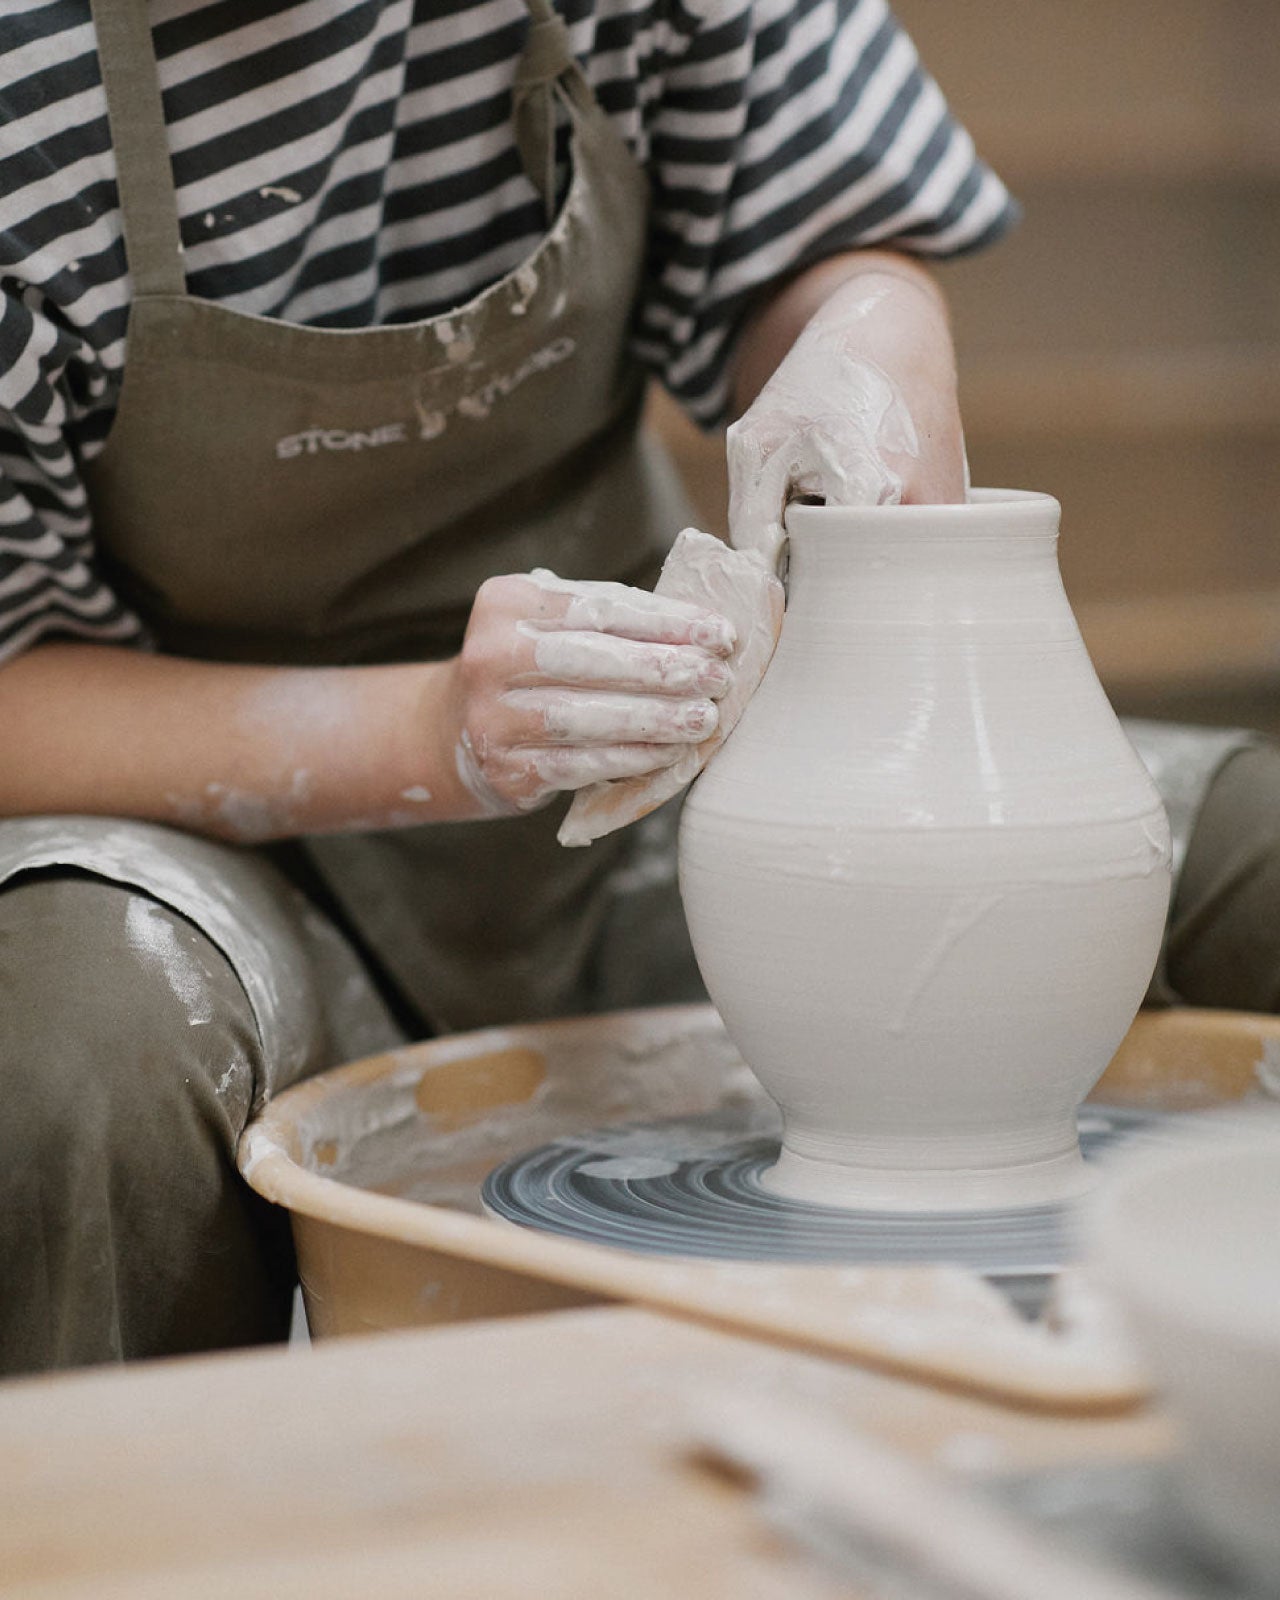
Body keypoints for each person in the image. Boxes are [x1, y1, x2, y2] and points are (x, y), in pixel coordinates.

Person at [0, 0, 1272, 1375]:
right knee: (90, 1049)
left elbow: (817, 220)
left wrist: (863, 324)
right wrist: (430, 734)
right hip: (217, 840)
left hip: (653, 767)